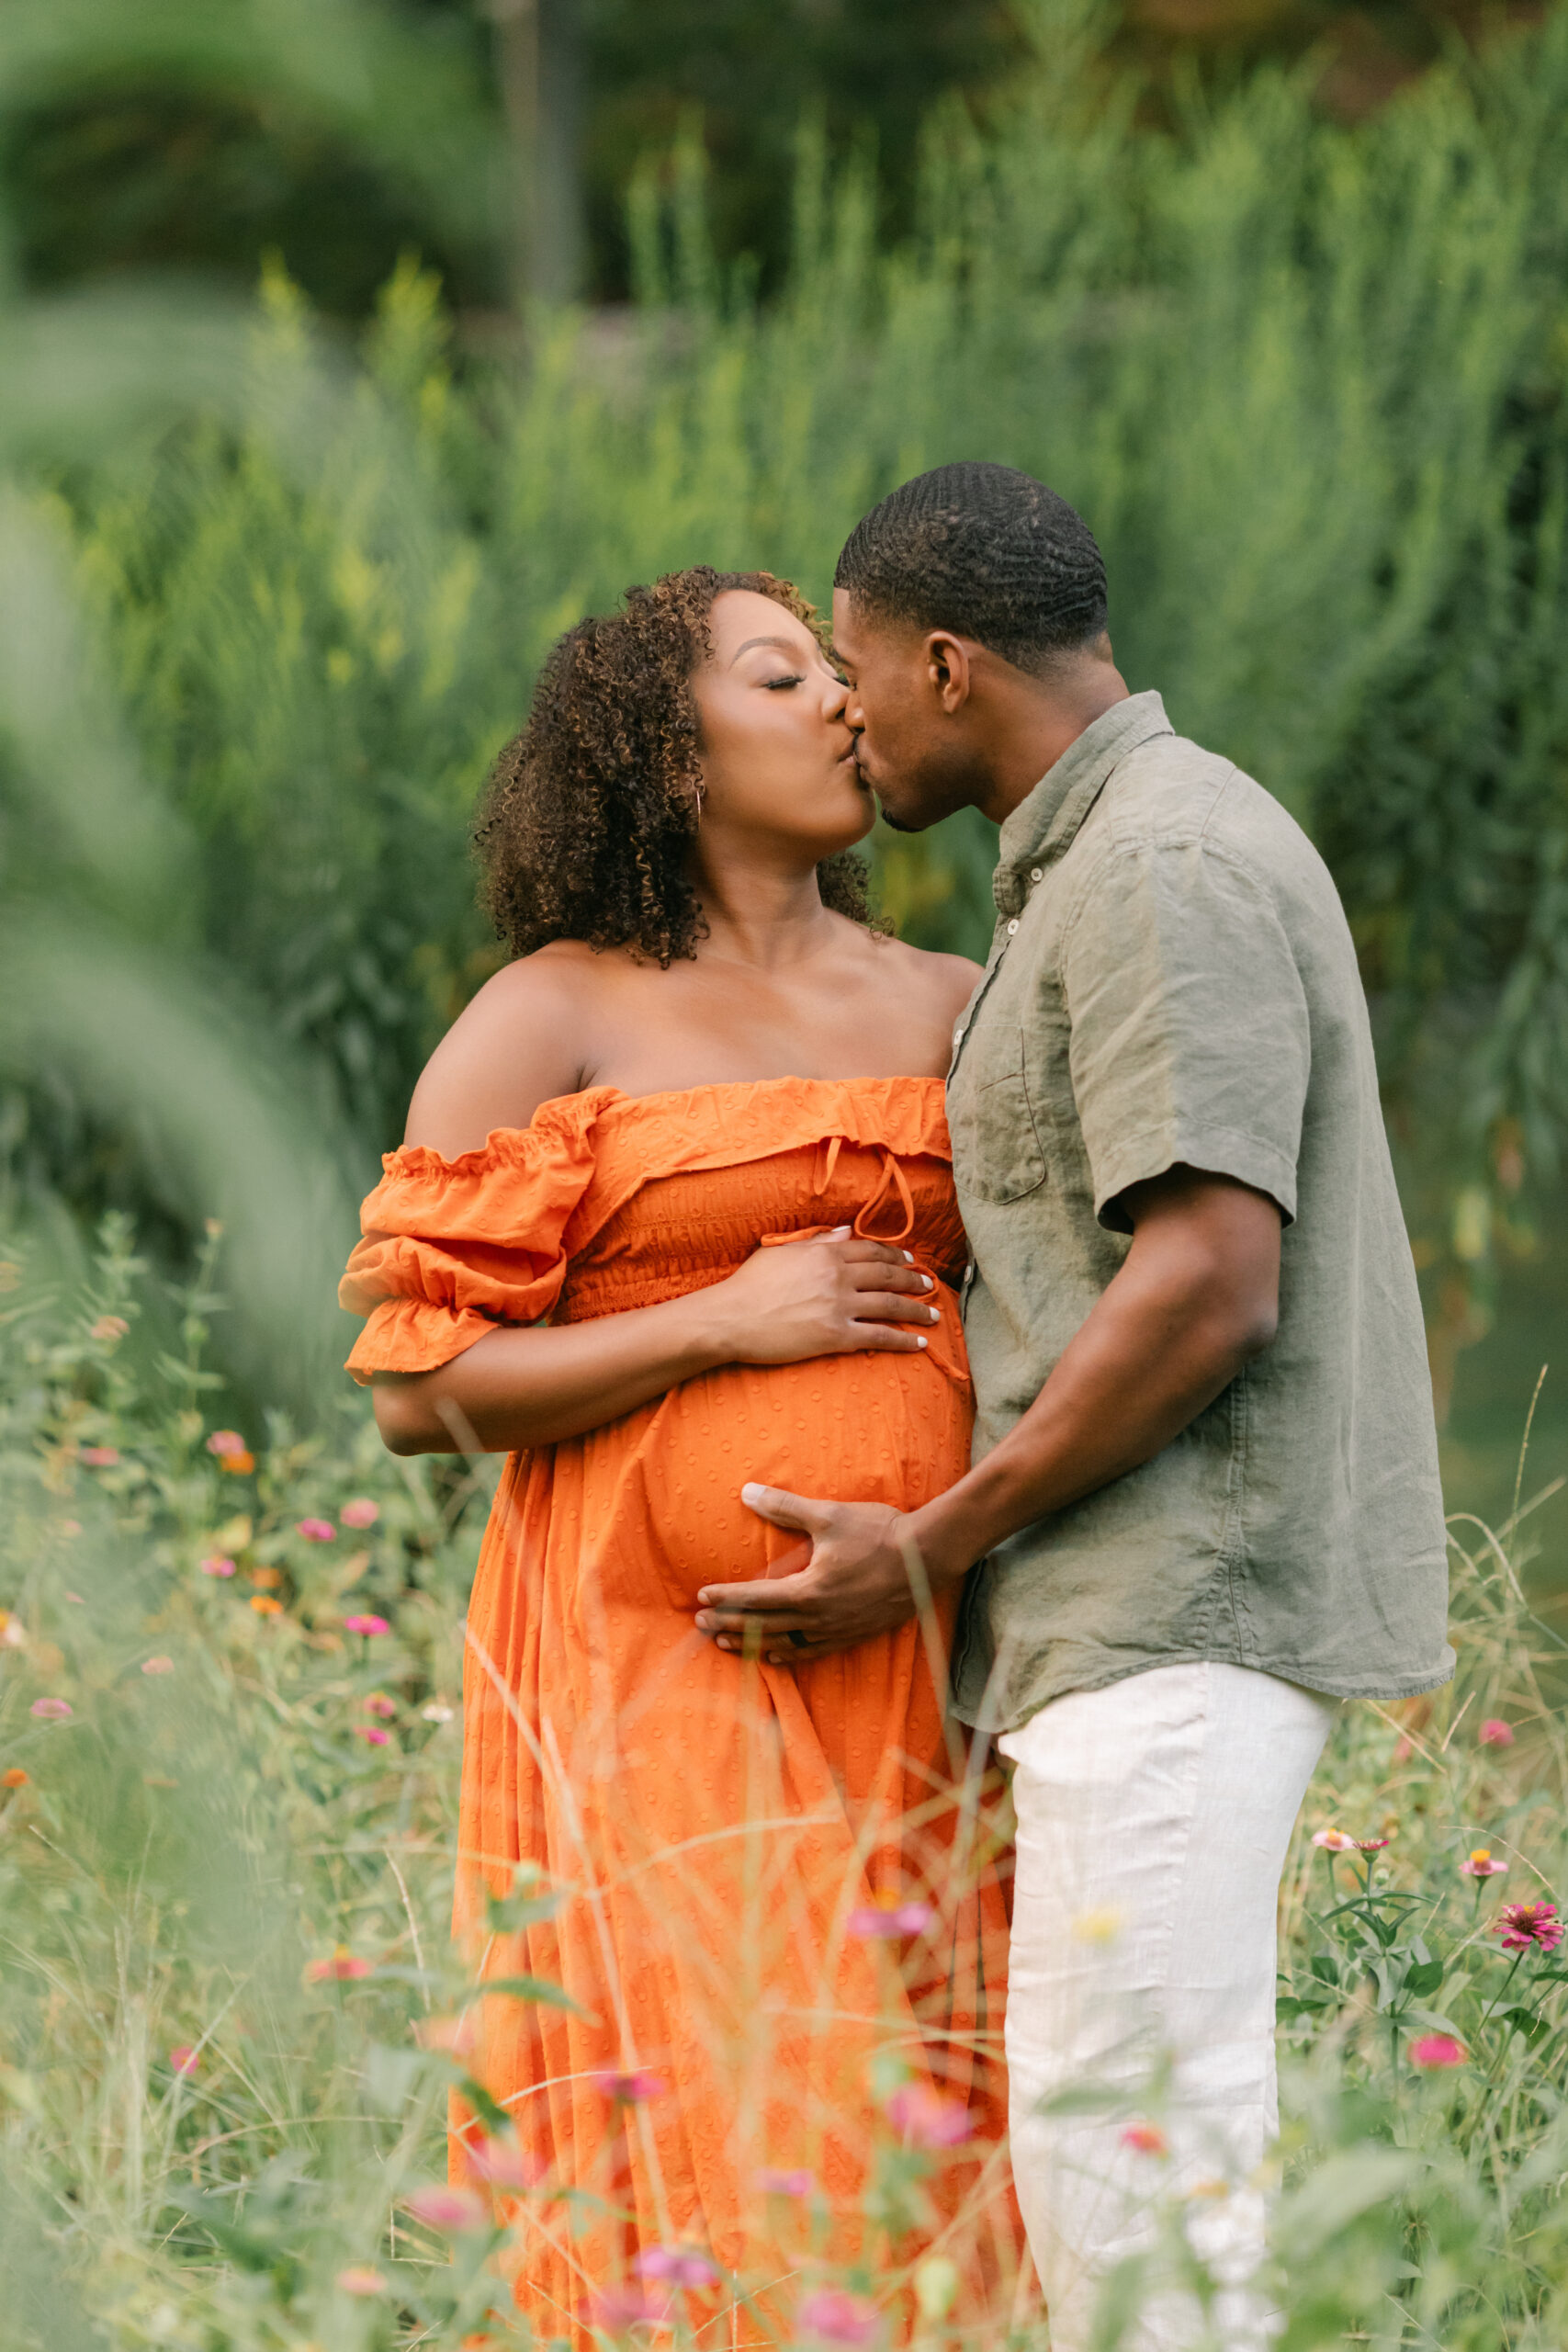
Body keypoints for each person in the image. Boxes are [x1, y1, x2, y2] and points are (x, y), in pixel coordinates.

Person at [694, 466, 1454, 2347]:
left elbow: (1204, 1277)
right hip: (1114, 1634)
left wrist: (929, 1539)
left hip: (1170, 1619)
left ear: (944, 662)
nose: (845, 715)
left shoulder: (1156, 868)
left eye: (852, 670)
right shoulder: (1090, 866)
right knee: (1115, 2176)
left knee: (1140, 2202)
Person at [338, 567, 1023, 2345]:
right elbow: (421, 1386)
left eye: (840, 675)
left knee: (938, 2093)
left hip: (927, 1646)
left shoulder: (961, 998)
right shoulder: (551, 1013)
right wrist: (726, 1320)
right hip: (657, 1655)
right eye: (781, 673)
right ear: (667, 743)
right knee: (753, 2090)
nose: (841, 704)